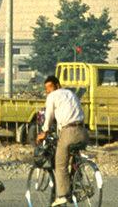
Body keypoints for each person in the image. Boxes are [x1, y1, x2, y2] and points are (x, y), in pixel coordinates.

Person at [35, 75, 87, 206]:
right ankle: (76, 180)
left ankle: (62, 195)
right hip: (83, 131)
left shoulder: (53, 96)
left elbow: (49, 116)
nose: (48, 90)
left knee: (60, 164)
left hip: (69, 131)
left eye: (50, 87)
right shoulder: (71, 93)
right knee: (72, 155)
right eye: (46, 88)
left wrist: (44, 133)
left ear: (57, 86)